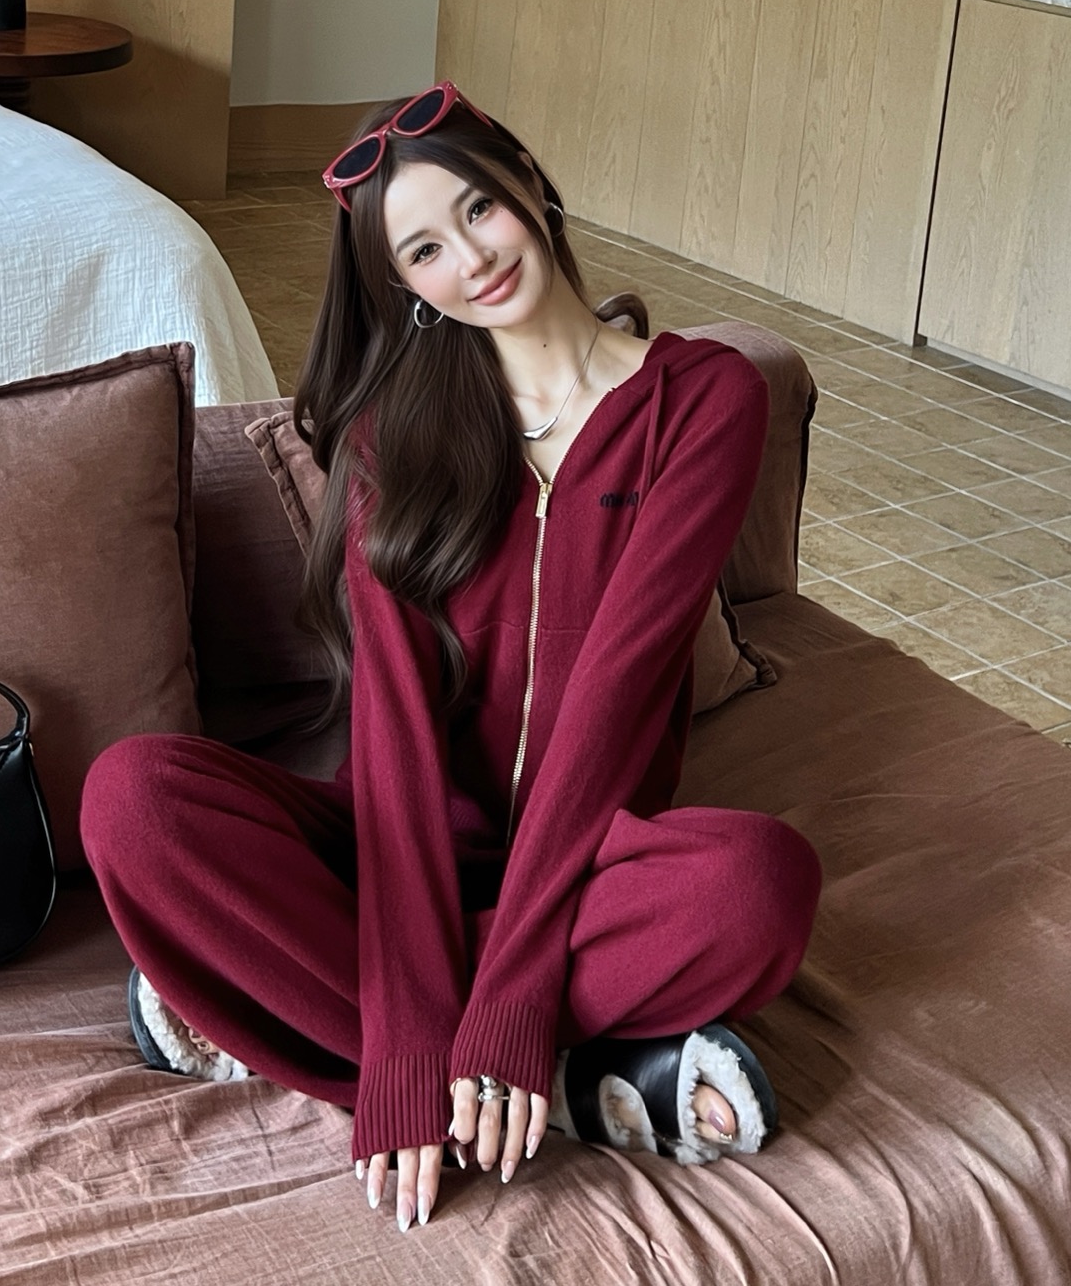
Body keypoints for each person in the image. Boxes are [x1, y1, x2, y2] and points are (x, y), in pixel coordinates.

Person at [81, 82, 822, 1233]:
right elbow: (394, 735)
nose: (472, 258)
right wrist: (414, 1037)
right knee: (133, 797)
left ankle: (301, 1025)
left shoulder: (701, 398)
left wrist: (512, 993)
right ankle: (552, 1084)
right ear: (405, 287)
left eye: (480, 208)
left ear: (529, 181)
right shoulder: (397, 435)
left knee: (759, 884)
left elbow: (616, 696)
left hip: (592, 861)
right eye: (425, 249)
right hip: (397, 853)